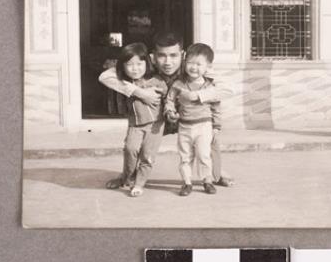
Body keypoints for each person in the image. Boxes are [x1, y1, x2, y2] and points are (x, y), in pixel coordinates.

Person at [98, 31, 234, 189]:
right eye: (162, 55)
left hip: (188, 118)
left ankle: (216, 174)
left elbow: (228, 88)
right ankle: (127, 175)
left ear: (182, 54)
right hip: (155, 119)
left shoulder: (192, 66)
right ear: (153, 55)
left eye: (173, 55)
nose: (168, 62)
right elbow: (105, 76)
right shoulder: (146, 64)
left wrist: (196, 95)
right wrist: (139, 92)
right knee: (134, 144)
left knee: (210, 139)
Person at [112, 42, 167, 197]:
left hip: (155, 126)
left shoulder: (156, 80)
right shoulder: (124, 84)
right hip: (135, 125)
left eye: (139, 64)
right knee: (130, 150)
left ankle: (139, 184)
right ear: (123, 67)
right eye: (129, 65)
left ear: (147, 63)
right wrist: (139, 92)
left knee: (147, 156)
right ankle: (126, 178)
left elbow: (167, 95)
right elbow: (105, 77)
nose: (135, 68)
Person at [164, 43, 220, 196]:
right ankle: (187, 183)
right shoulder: (178, 84)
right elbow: (170, 100)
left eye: (198, 64)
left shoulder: (210, 86)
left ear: (208, 66)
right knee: (185, 156)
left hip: (204, 126)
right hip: (184, 126)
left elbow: (216, 106)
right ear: (184, 62)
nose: (193, 67)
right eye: (190, 63)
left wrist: (216, 126)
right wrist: (170, 112)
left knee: (204, 155)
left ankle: (207, 181)